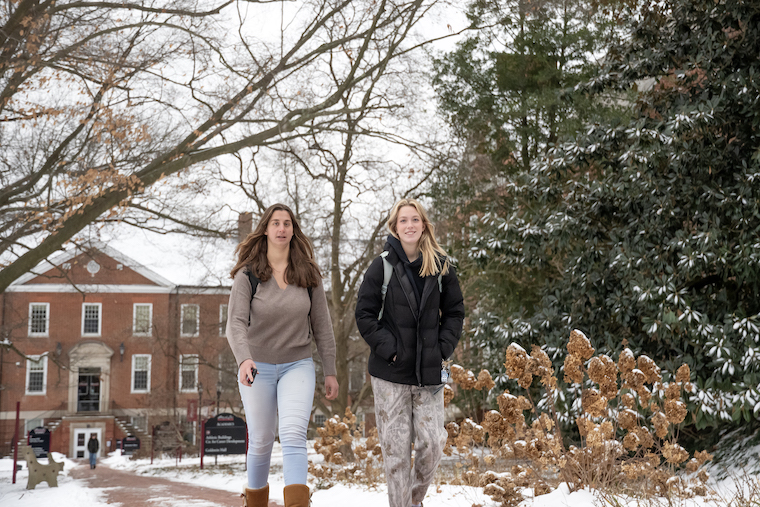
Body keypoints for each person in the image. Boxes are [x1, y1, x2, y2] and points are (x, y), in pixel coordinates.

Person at [226, 203, 338, 507]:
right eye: (275, 223)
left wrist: (330, 369)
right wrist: (244, 358)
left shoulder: (308, 273)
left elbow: (322, 325)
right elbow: (235, 323)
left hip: (297, 364)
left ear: (293, 230)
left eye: (287, 223)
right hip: (256, 367)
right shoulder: (247, 275)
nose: (281, 229)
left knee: (292, 434)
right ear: (265, 229)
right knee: (261, 440)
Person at [355, 198, 464, 507]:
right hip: (390, 375)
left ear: (424, 224)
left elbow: (455, 312)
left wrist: (442, 348)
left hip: (429, 375)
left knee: (433, 443)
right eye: (403, 220)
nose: (410, 225)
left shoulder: (441, 265)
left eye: (415, 219)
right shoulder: (383, 265)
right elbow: (364, 313)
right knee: (396, 452)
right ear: (395, 226)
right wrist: (391, 351)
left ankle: (412, 501)